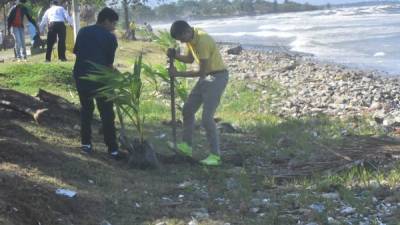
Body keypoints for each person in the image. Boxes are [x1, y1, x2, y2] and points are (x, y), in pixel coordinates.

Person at [167, 20, 229, 166]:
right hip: (207, 77)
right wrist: (175, 55)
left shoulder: (203, 41)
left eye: (181, 38)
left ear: (187, 31)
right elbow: (189, 59)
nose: (181, 41)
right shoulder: (191, 38)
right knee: (188, 109)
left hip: (217, 77)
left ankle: (215, 156)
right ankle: (186, 146)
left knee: (207, 118)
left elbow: (202, 71)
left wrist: (177, 74)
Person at [73, 7, 122, 159]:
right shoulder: (110, 38)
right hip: (100, 79)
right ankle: (112, 148)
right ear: (106, 20)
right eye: (113, 23)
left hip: (81, 76)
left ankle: (86, 144)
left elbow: (77, 53)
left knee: (86, 111)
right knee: (107, 113)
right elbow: (108, 64)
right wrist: (117, 76)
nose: (114, 27)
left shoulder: (82, 32)